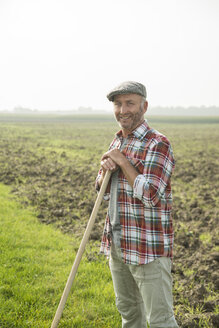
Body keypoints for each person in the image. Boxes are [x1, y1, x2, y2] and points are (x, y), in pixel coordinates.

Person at [96, 81, 179, 328]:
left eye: (129, 103)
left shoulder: (157, 143)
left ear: (144, 106)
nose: (123, 110)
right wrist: (103, 172)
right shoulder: (116, 142)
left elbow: (151, 194)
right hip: (118, 244)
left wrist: (122, 162)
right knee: (129, 315)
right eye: (118, 104)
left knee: (161, 320)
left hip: (147, 248)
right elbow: (104, 192)